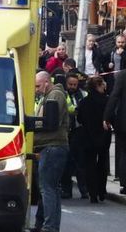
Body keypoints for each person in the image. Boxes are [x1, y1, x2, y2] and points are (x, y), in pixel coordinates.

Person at [33, 71, 69, 232]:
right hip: (50, 146)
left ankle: (50, 227)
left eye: (38, 86)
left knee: (48, 188)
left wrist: (32, 126)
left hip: (53, 146)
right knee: (47, 188)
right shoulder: (50, 95)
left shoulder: (55, 96)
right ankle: (42, 225)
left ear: (47, 82)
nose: (36, 89)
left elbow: (51, 122)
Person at [78, 76, 112, 203]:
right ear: (98, 85)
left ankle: (92, 193)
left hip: (88, 136)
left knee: (89, 164)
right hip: (103, 136)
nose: (105, 86)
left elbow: (80, 118)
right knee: (102, 163)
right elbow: (111, 116)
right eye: (103, 84)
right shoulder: (107, 101)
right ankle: (101, 190)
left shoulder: (84, 101)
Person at [60, 73, 89, 199]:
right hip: (66, 132)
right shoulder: (62, 95)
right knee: (67, 163)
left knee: (81, 163)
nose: (72, 87)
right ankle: (67, 190)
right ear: (66, 84)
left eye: (75, 85)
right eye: (70, 84)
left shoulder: (83, 94)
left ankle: (84, 190)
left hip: (79, 132)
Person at [104, 71, 126, 195]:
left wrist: (106, 117)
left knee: (124, 152)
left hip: (123, 122)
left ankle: (124, 183)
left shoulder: (122, 75)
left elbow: (114, 96)